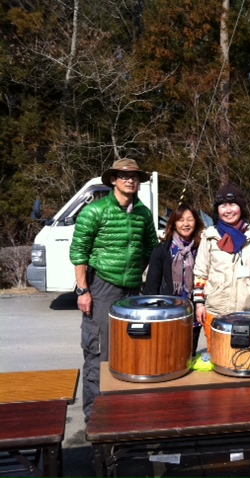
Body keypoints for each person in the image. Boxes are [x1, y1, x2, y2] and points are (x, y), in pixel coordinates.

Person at [70, 158, 158, 421]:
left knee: (131, 350)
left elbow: (151, 248)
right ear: (113, 180)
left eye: (134, 177)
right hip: (101, 286)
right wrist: (83, 291)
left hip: (132, 290)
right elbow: (79, 253)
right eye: (123, 176)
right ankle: (95, 416)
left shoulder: (143, 213)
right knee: (99, 352)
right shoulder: (95, 211)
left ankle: (125, 412)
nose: (130, 180)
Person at [193, 185, 250, 340]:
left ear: (241, 207)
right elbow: (200, 273)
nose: (228, 210)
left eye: (232, 204)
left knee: (247, 358)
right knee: (217, 357)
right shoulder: (210, 236)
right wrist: (199, 304)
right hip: (216, 309)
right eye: (223, 206)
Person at [143, 204, 205, 356]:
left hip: (193, 311)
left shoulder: (202, 249)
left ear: (196, 222)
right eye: (181, 220)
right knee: (167, 355)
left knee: (188, 355)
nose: (185, 224)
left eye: (190, 219)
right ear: (174, 224)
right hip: (168, 313)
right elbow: (151, 287)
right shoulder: (162, 250)